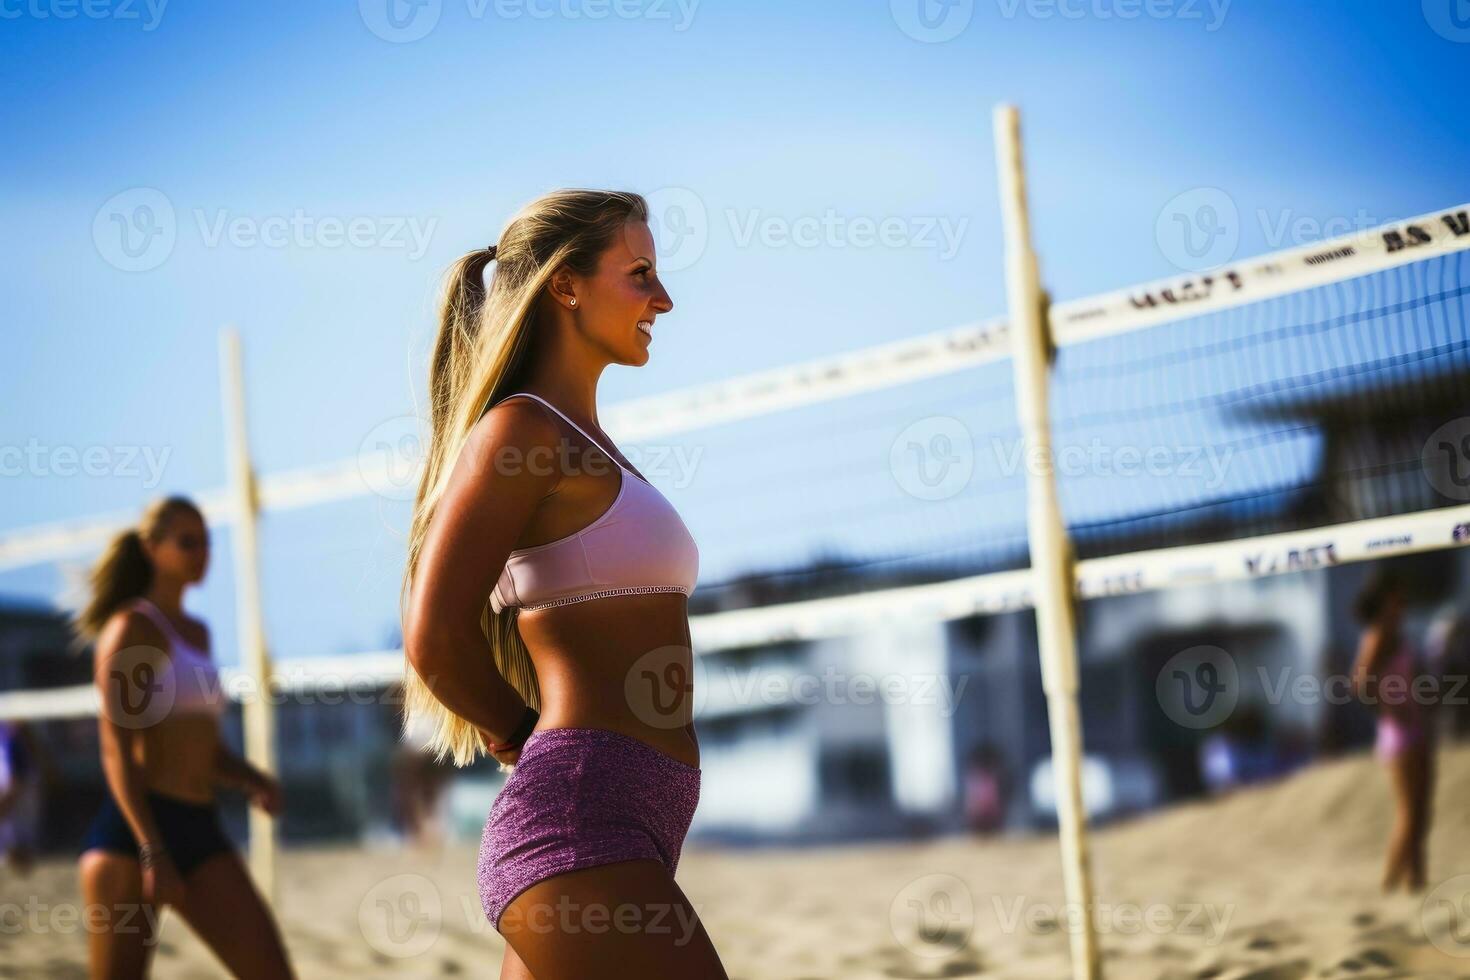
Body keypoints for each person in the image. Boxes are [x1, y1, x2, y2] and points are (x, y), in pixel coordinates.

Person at [402, 189, 728, 979]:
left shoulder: (592, 445)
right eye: (640, 272)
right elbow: (434, 636)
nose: (664, 298)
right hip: (579, 819)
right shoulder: (521, 434)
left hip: (632, 816)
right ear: (565, 284)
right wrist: (521, 736)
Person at [73, 495, 294, 978]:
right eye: (187, 542)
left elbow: (200, 745)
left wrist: (250, 777)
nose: (202, 554)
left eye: (207, 542)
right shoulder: (130, 629)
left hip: (199, 825)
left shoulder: (196, 632)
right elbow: (117, 750)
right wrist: (152, 849)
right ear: (151, 548)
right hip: (133, 836)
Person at [1351, 569, 1437, 893]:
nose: (1403, 602)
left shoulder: (1398, 634)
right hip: (1400, 733)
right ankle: (1388, 886)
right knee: (1409, 812)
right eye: (1399, 597)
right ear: (1387, 600)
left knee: (1422, 813)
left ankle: (1415, 883)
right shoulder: (1379, 636)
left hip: (1416, 726)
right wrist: (1390, 708)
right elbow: (1360, 683)